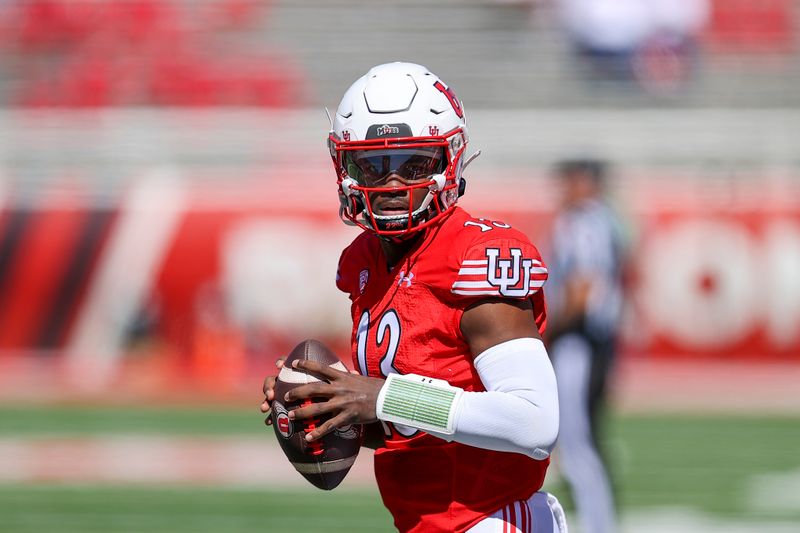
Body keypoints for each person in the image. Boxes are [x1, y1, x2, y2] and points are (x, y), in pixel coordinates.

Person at [260, 62, 567, 533]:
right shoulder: (363, 261)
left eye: (415, 162)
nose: (393, 183)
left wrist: (384, 396)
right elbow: (413, 427)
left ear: (450, 160)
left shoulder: (478, 253)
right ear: (343, 167)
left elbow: (534, 422)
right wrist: (330, 409)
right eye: (372, 164)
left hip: (492, 519)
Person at [545, 158, 627, 533]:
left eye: (570, 180)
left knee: (577, 442)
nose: (563, 189)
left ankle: (599, 524)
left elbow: (580, 291)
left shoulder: (582, 223)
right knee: (582, 438)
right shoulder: (604, 220)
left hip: (578, 342)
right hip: (593, 340)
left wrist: (544, 335)